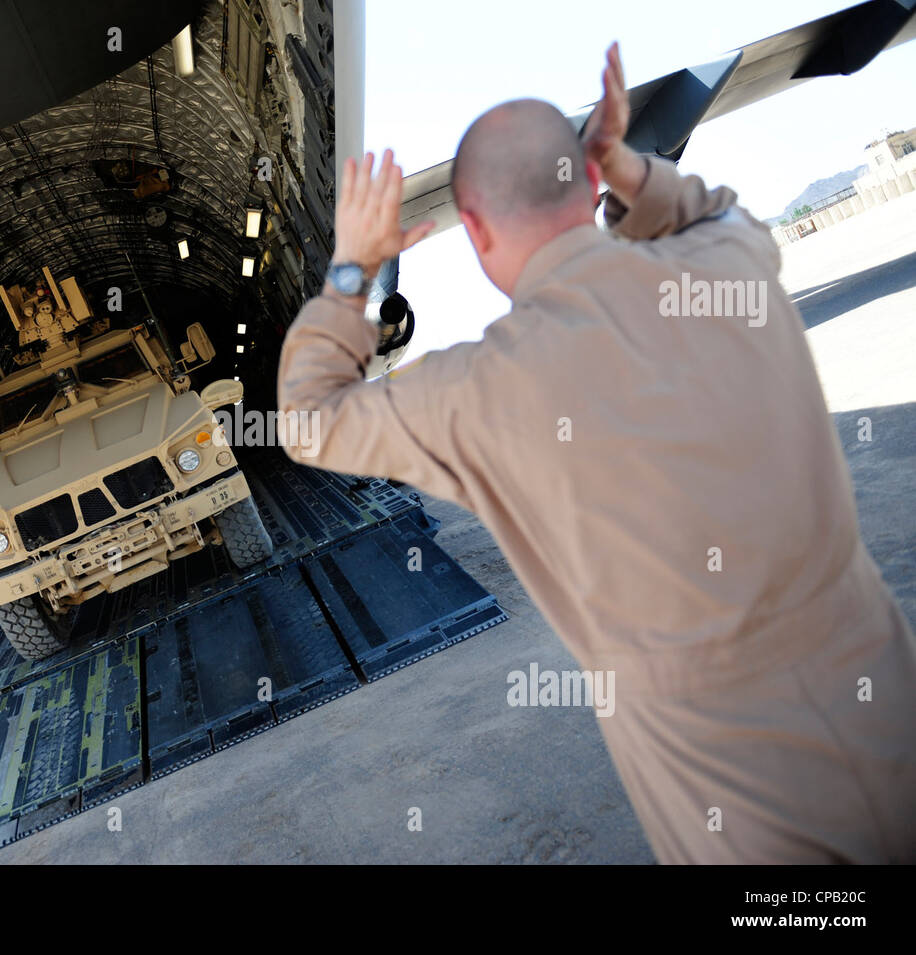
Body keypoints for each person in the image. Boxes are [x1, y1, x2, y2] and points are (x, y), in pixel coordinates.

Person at [276, 43, 916, 863]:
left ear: (471, 231)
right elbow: (710, 208)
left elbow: (306, 420)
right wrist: (626, 164)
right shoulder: (733, 263)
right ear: (588, 185)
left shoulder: (478, 391)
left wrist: (350, 273)